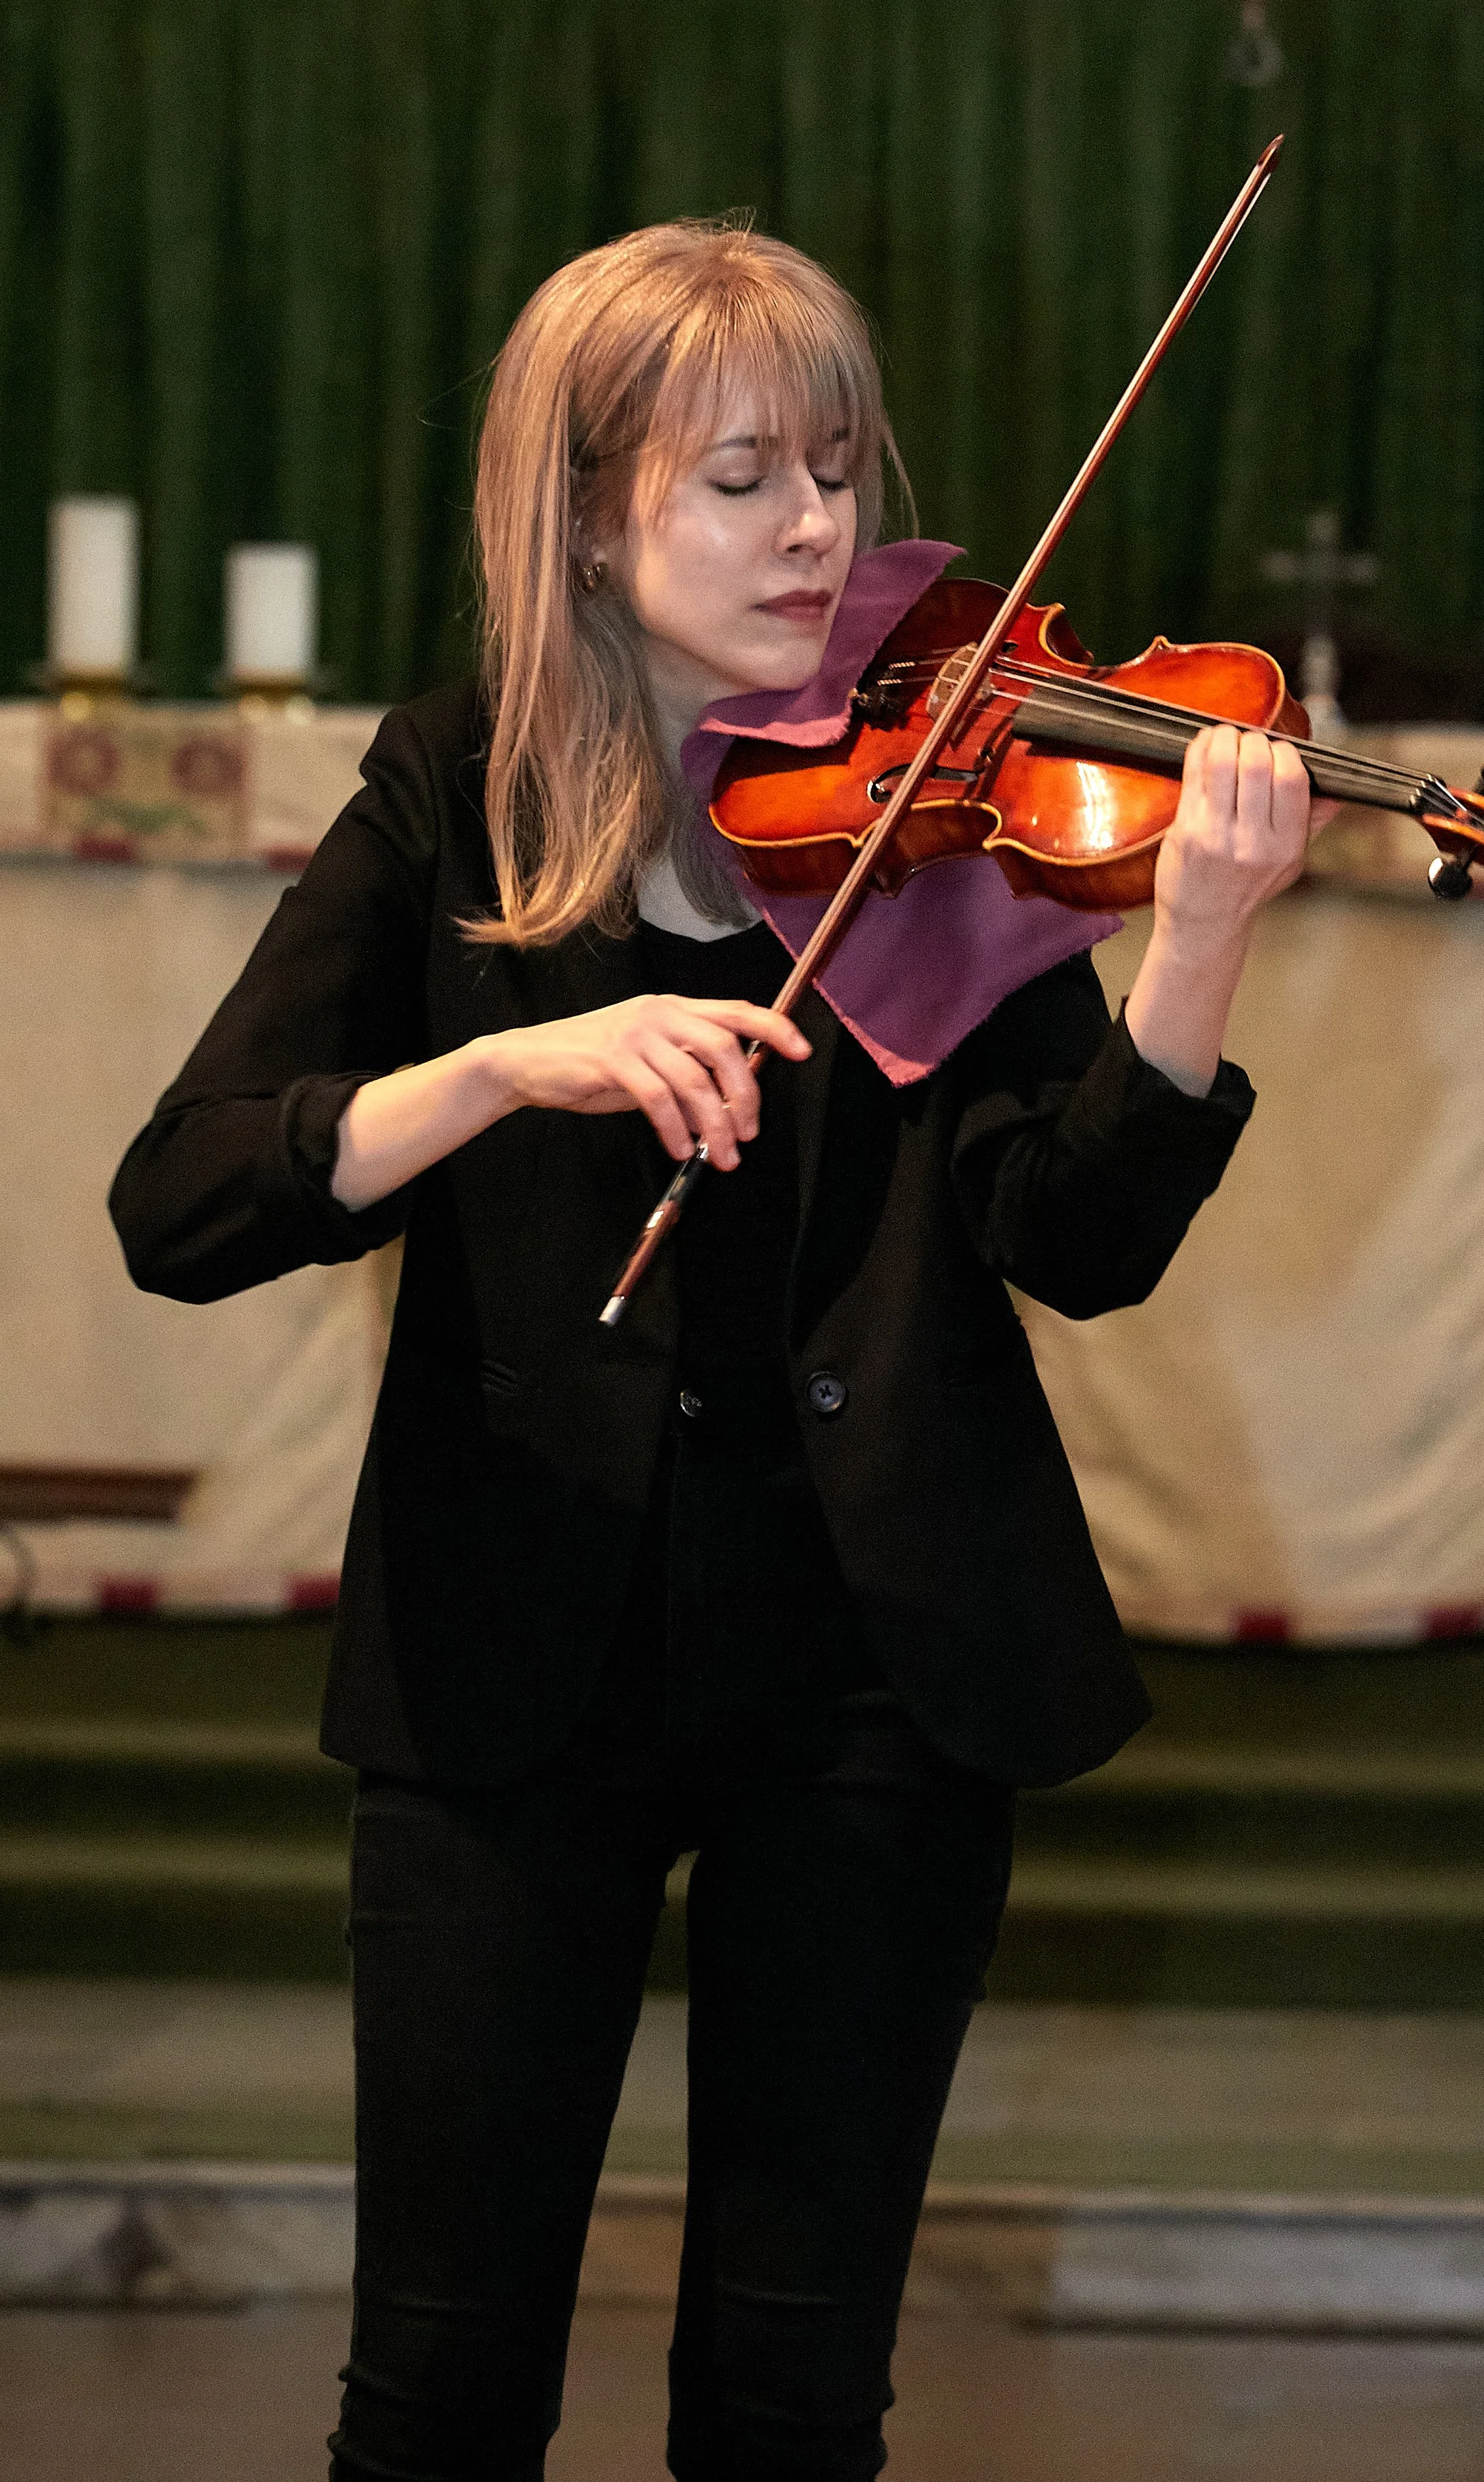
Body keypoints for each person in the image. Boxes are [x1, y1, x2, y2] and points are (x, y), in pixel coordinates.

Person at [109, 222, 1328, 2482]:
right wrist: (498, 1076)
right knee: (441, 2391)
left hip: (871, 1668)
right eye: (741, 476)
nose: (815, 533)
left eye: (840, 476)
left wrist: (1193, 966)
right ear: (587, 510)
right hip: (512, 1657)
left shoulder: (935, 787)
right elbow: (178, 1202)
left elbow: (1068, 1246)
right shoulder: (454, 787)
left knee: (790, 2404)